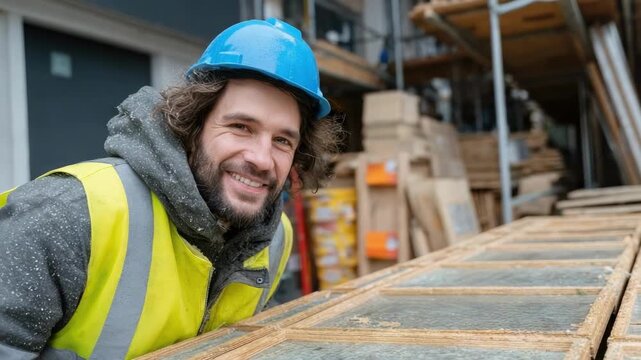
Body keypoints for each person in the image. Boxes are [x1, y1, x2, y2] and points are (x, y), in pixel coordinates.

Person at [0, 18, 341, 359]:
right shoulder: (65, 216)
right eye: (240, 127)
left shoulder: (273, 236)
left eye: (282, 140)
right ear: (193, 124)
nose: (263, 159)